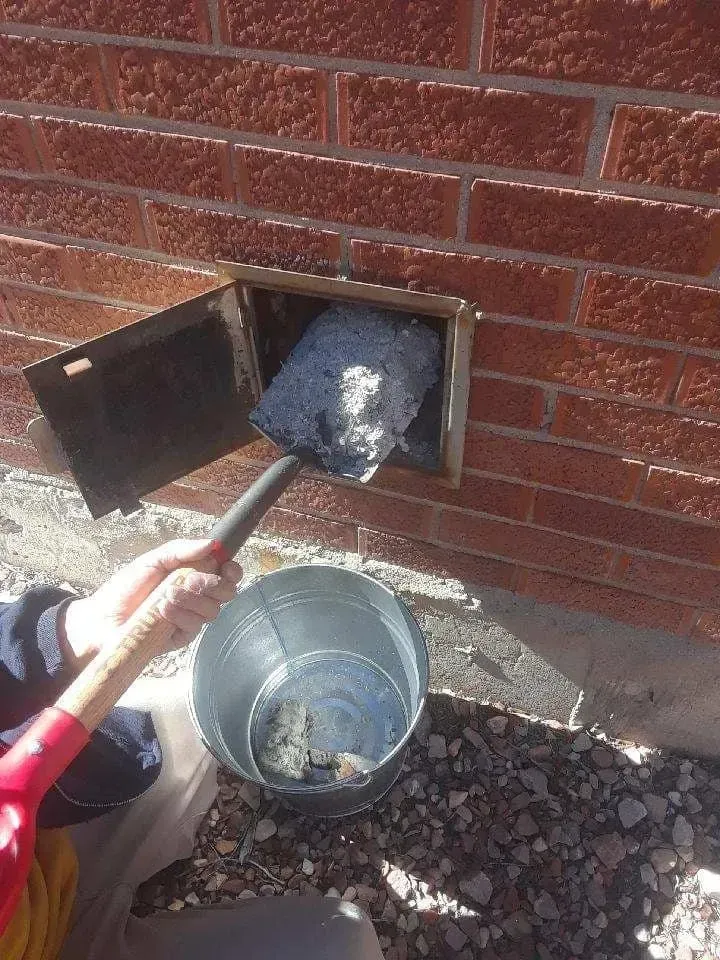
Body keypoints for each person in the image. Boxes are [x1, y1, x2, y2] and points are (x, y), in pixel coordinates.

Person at [0, 539, 384, 960]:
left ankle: (146, 869)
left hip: (45, 833)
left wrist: (76, 630)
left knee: (189, 722)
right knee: (343, 942)